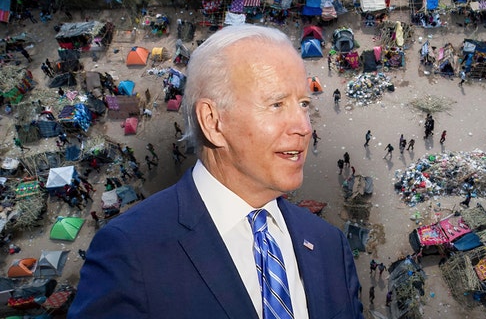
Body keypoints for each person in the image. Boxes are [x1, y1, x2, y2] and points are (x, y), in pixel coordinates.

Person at [69, 25, 363, 319]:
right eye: (276, 105)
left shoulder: (329, 245)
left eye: (303, 105)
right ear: (213, 121)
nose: (304, 127)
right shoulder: (131, 254)